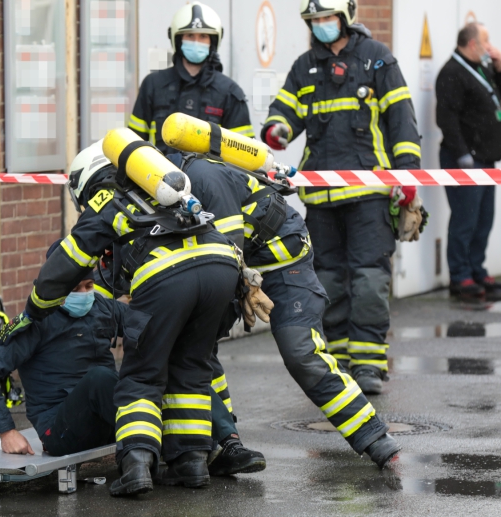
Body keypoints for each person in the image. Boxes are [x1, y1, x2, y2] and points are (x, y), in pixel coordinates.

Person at [0, 139, 250, 496]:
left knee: (142, 377)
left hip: (169, 276)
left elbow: (67, 261)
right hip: (221, 269)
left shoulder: (107, 198)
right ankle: (190, 464)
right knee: (190, 370)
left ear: (89, 183)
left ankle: (136, 466)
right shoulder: (164, 189)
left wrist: (38, 306)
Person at [166, 139, 400, 468]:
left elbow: (231, 240)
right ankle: (225, 443)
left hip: (282, 265)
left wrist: (244, 281)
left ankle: (374, 436)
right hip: (234, 271)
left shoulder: (202, 175)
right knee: (195, 344)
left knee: (300, 351)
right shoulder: (157, 190)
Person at [0, 241, 265, 477]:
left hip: (108, 415)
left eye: (89, 286)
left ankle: (229, 444)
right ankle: (188, 450)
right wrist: (5, 432)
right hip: (59, 430)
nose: (85, 294)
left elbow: (153, 327)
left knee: (178, 363)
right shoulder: (35, 320)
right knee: (102, 378)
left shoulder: (101, 307)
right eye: (75, 289)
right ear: (54, 285)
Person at [261, 0, 422, 393]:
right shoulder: (304, 66)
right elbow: (286, 111)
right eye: (315, 21)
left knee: (368, 280)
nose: (322, 26)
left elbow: (403, 122)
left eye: (327, 19)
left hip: (369, 195)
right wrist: (277, 129)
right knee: (327, 282)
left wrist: (407, 177)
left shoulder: (377, 60)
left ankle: (369, 365)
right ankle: (340, 362)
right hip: (322, 199)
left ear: (345, 17)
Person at [436, 23, 501, 297]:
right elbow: (446, 117)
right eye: (485, 41)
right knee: (465, 219)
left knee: (484, 218)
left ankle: (477, 269)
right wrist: (462, 153)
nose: (489, 47)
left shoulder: (482, 67)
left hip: (486, 160)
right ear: (471, 44)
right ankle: (460, 276)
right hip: (465, 160)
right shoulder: (452, 73)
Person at [128, 2, 255, 153]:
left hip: (210, 177)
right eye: (190, 36)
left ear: (212, 42)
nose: (196, 42)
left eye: (203, 36)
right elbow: (132, 143)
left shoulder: (230, 92)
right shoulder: (153, 85)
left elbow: (244, 156)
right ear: (178, 39)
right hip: (159, 175)